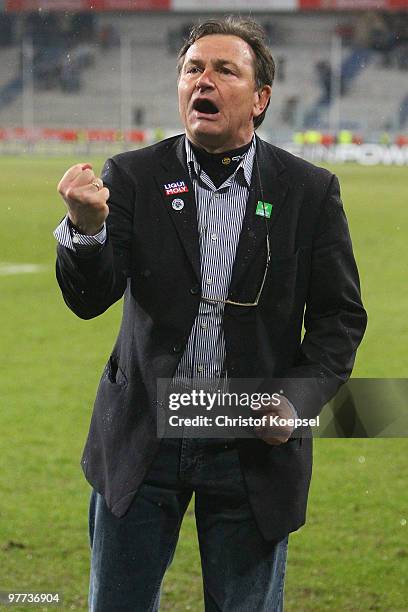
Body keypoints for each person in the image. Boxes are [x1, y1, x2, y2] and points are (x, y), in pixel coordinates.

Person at [54, 16, 367, 612]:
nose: (205, 79)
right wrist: (86, 232)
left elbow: (339, 319)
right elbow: (89, 299)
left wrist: (297, 400)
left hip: (250, 445)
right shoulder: (135, 176)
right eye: (193, 68)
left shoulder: (309, 190)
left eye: (226, 69)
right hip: (145, 435)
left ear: (261, 98)